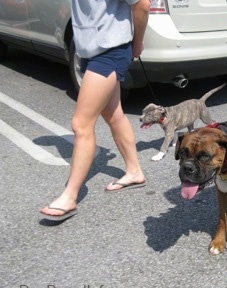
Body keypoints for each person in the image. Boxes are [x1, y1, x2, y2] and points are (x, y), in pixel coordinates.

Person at [40, 0, 151, 221]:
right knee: (114, 115)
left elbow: (142, 4)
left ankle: (70, 197)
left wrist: (137, 43)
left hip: (110, 50)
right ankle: (134, 172)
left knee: (81, 125)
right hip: (92, 50)